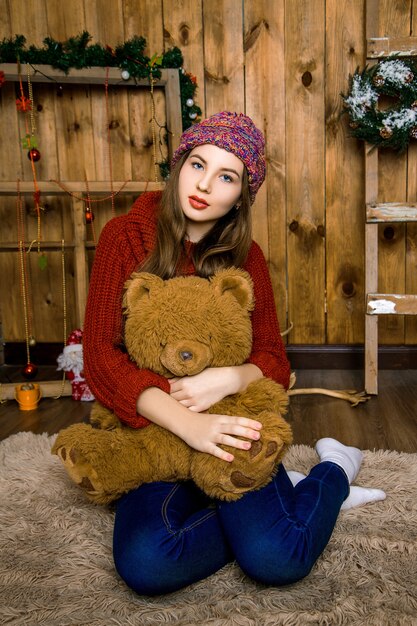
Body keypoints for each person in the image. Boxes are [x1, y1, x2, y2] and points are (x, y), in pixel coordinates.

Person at [83, 111, 385, 596]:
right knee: (146, 563)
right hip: (154, 434)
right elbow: (100, 356)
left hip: (229, 423)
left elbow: (274, 360)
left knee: (278, 558)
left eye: (226, 176)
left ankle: (334, 470)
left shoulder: (249, 257)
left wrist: (225, 380)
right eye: (196, 164)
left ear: (241, 194)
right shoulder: (126, 236)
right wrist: (188, 425)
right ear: (179, 164)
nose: (204, 184)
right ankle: (286, 501)